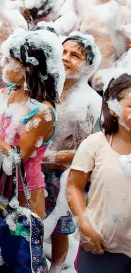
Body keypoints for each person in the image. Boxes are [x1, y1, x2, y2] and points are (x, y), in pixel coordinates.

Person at [0, 30, 63, 222]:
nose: (3, 63)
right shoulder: (7, 92)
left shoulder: (42, 112)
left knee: (21, 249)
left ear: (28, 68)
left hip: (24, 192)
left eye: (9, 60)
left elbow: (16, 157)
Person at [42, 32, 102, 272]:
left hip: (60, 175)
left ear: (88, 67)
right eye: (63, 51)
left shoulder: (87, 102)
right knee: (29, 222)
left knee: (59, 230)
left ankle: (56, 269)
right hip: (33, 168)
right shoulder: (47, 86)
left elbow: (83, 153)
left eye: (75, 55)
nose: (65, 58)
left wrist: (46, 157)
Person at [67, 73, 131, 272]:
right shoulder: (96, 144)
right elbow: (73, 186)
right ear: (113, 109)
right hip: (102, 246)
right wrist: (85, 225)